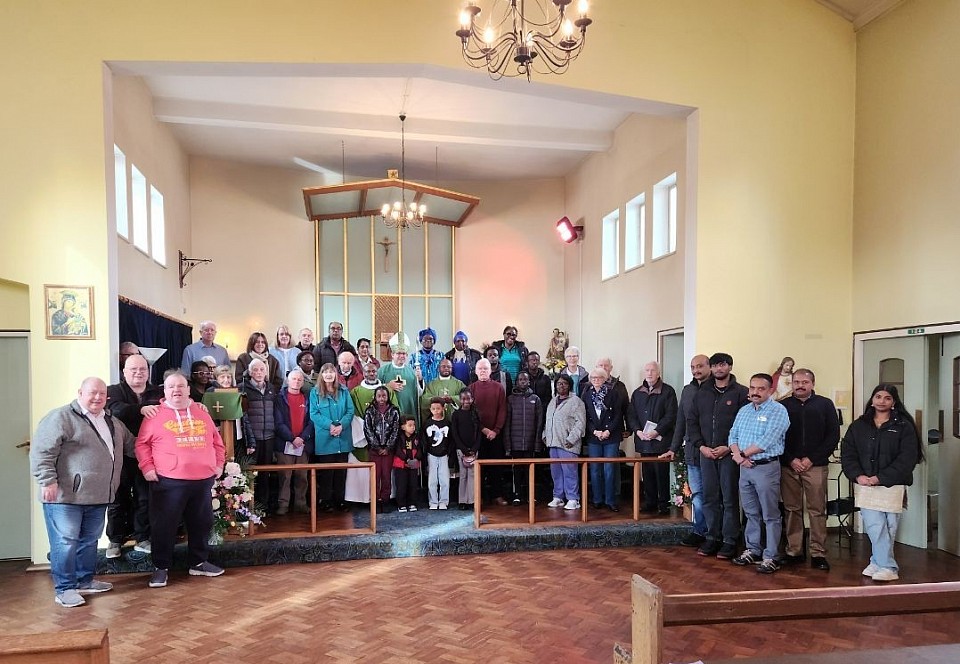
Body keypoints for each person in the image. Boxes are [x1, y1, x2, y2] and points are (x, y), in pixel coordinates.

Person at [30, 378, 134, 607]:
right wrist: (47, 481)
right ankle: (65, 589)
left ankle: (84, 581)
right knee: (65, 543)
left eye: (102, 393)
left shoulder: (112, 422)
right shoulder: (61, 417)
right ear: (80, 393)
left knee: (89, 541)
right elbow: (42, 451)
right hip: (65, 497)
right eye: (92, 392)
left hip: (99, 495)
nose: (97, 397)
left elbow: (133, 446)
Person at [136, 371, 226, 588]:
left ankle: (198, 562)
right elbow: (141, 444)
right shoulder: (154, 415)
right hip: (168, 482)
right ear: (165, 391)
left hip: (202, 480)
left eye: (180, 386)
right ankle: (160, 568)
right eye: (171, 387)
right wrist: (147, 467)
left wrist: (219, 464)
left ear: (188, 389)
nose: (176, 390)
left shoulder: (201, 412)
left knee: (201, 523)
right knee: (164, 526)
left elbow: (217, 442)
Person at [841, 383, 922, 582]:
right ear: (872, 400)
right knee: (874, 526)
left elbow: (907, 458)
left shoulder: (904, 426)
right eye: (878, 397)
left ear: (894, 402)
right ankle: (887, 566)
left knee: (889, 527)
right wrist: (858, 476)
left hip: (892, 485)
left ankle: (878, 562)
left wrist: (881, 478)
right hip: (865, 484)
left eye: (887, 398)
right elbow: (848, 453)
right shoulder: (859, 425)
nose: (882, 401)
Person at [687, 352, 749, 560]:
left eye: (722, 365)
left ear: (729, 367)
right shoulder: (702, 393)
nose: (719, 369)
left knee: (730, 498)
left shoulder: (741, 393)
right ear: (711, 368)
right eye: (715, 365)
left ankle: (730, 540)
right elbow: (692, 422)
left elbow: (745, 426)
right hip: (706, 453)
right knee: (710, 497)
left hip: (730, 454)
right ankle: (712, 537)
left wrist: (729, 448)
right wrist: (701, 446)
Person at [728, 373, 790, 574]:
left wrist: (742, 455)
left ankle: (771, 556)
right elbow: (733, 435)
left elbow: (767, 440)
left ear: (770, 390)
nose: (755, 392)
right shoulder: (744, 410)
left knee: (770, 514)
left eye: (760, 389)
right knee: (750, 512)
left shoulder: (778, 411)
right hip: (744, 468)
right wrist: (738, 456)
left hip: (766, 468)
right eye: (752, 388)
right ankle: (753, 549)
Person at [779, 368, 840, 571]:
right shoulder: (782, 406)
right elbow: (776, 436)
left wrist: (811, 459)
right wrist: (791, 459)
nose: (800, 385)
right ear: (792, 384)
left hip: (816, 466)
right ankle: (794, 551)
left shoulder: (825, 404)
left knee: (817, 510)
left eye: (804, 382)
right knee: (791, 509)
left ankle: (818, 553)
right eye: (796, 382)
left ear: (813, 384)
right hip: (789, 466)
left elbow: (833, 435)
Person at [104, 354, 163, 558]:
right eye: (133, 369)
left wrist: (196, 405)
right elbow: (115, 410)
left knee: (144, 498)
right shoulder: (113, 391)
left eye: (142, 369)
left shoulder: (158, 391)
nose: (139, 373)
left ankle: (142, 538)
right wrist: (141, 409)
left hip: (148, 455)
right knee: (117, 498)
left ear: (148, 371)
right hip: (120, 454)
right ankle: (115, 540)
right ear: (124, 372)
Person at [660, 354, 711, 547]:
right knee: (697, 495)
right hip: (692, 451)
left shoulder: (716, 389)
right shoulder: (688, 390)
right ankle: (699, 531)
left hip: (711, 452)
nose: (696, 370)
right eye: (693, 367)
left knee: (713, 496)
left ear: (709, 367)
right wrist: (673, 448)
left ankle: (715, 533)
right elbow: (681, 421)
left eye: (700, 366)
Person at [627, 361, 678, 514]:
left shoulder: (668, 391)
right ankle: (650, 502)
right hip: (643, 441)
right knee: (647, 474)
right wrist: (637, 431)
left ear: (658, 373)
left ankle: (663, 504)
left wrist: (657, 431)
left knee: (661, 473)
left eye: (653, 370)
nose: (649, 373)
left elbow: (671, 415)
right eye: (647, 370)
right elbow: (631, 415)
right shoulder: (637, 393)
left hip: (661, 441)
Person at [310, 362, 355, 512]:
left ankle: (340, 500)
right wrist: (330, 426)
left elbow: (350, 411)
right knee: (327, 474)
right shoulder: (315, 392)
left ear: (336, 374)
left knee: (341, 473)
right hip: (325, 438)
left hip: (343, 437)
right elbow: (314, 414)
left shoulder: (344, 391)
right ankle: (326, 501)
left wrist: (341, 425)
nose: (329, 374)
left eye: (331, 372)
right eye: (325, 372)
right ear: (321, 375)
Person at [582, 367, 628, 511]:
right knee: (595, 469)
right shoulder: (587, 395)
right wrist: (594, 431)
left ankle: (610, 500)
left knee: (609, 469)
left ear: (604, 379)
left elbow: (618, 415)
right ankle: (597, 499)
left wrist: (608, 431)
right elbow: (585, 416)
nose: (596, 380)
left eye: (599, 378)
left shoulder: (613, 393)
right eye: (593, 378)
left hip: (611, 436)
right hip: (594, 436)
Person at [239, 358, 278, 513]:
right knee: (250, 474)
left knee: (265, 473)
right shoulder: (243, 388)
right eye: (255, 369)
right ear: (250, 372)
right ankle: (249, 507)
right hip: (252, 439)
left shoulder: (271, 388)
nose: (259, 372)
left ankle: (263, 506)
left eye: (262, 369)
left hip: (269, 437)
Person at [273, 369, 315, 515]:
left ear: (303, 382)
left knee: (302, 476)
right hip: (285, 444)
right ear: (288, 380)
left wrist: (302, 438)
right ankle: (283, 505)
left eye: (299, 379)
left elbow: (311, 421)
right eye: (294, 379)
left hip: (303, 444)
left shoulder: (307, 398)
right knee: (285, 476)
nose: (296, 382)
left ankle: (300, 504)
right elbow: (278, 423)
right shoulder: (279, 399)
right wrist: (292, 438)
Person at [543, 374, 586, 511]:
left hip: (568, 444)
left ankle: (573, 499)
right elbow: (548, 421)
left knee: (569, 472)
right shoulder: (552, 401)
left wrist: (571, 439)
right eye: (559, 383)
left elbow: (580, 423)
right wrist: (545, 435)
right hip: (553, 443)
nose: (561, 386)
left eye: (565, 383)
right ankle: (558, 497)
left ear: (569, 385)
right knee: (556, 472)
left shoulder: (576, 401)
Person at [470, 358, 508, 505]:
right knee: (479, 467)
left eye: (485, 368)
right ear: (475, 371)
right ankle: (479, 496)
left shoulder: (499, 388)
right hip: (477, 435)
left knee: (496, 466)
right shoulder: (471, 388)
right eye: (480, 369)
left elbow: (502, 410)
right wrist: (483, 429)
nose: (483, 371)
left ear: (490, 370)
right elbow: (471, 413)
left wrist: (496, 430)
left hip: (495, 435)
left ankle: (497, 495)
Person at [504, 371, 543, 504]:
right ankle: (517, 495)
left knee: (529, 470)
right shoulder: (510, 399)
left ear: (529, 382)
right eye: (520, 380)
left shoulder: (536, 399)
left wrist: (537, 443)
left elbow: (539, 422)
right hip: (515, 443)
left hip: (530, 442)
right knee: (517, 470)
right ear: (517, 382)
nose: (523, 382)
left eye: (525, 380)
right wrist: (508, 444)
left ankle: (530, 495)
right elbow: (507, 423)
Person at [363, 385, 400, 512]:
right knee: (375, 476)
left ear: (388, 396)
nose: (382, 399)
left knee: (386, 476)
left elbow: (395, 430)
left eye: (384, 396)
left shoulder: (394, 411)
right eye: (379, 396)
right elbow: (367, 430)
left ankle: (385, 500)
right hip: (374, 450)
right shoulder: (370, 411)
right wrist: (377, 447)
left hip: (388, 450)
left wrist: (388, 447)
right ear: (375, 397)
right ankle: (375, 501)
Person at [378, 332, 423, 429]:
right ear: (392, 354)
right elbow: (374, 391)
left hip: (408, 411)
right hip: (389, 413)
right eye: (399, 353)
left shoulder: (412, 372)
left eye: (404, 354)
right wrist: (387, 386)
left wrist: (420, 380)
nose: (402, 356)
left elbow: (419, 394)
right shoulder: (382, 371)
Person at [451, 388, 483, 510]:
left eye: (468, 399)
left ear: (472, 399)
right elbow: (455, 433)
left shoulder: (475, 414)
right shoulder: (456, 415)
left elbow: (479, 433)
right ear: (460, 400)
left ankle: (472, 500)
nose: (466, 401)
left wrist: (474, 448)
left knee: (473, 475)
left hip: (474, 450)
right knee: (463, 475)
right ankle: (462, 500)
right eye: (463, 399)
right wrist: (463, 449)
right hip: (461, 450)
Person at [422, 397, 452, 509]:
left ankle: (444, 501)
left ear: (443, 408)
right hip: (431, 455)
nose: (436, 411)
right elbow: (424, 440)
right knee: (432, 479)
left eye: (438, 408)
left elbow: (451, 440)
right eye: (433, 408)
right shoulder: (427, 423)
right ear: (430, 409)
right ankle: (433, 501)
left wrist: (448, 453)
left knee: (444, 479)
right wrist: (426, 454)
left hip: (444, 455)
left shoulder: (447, 423)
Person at [419, 358, 464, 423]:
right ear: (438, 368)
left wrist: (452, 399)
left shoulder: (459, 384)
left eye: (449, 367)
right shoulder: (431, 384)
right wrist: (436, 399)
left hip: (455, 420)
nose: (446, 368)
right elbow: (424, 400)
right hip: (436, 421)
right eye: (443, 366)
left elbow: (465, 397)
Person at [393, 415, 421, 512]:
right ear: (403, 427)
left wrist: (417, 459)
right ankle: (401, 504)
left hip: (413, 465)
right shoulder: (398, 437)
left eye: (414, 425)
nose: (413, 427)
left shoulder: (417, 437)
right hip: (401, 465)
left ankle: (412, 503)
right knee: (401, 485)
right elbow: (397, 450)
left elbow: (420, 449)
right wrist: (407, 460)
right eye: (410, 425)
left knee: (413, 485)